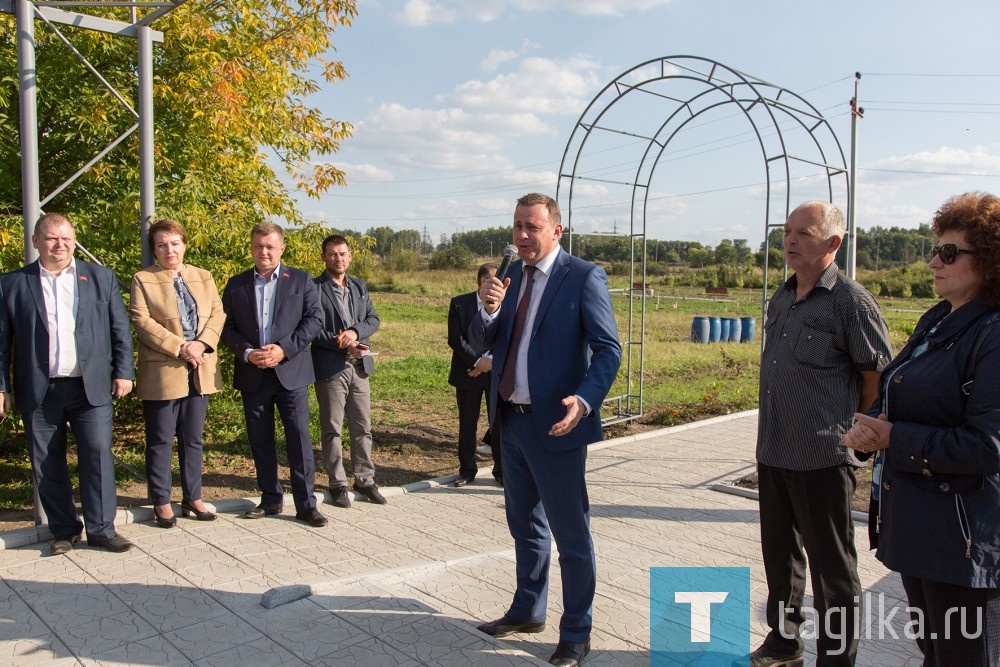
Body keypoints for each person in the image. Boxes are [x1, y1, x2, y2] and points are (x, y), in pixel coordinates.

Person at [844, 192, 1000, 666]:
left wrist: (896, 437)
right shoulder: (940, 319)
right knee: (937, 654)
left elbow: (989, 445)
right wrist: (877, 431)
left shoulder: (992, 333)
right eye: (935, 249)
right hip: (923, 534)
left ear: (990, 261)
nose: (934, 261)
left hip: (962, 544)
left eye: (949, 253)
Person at [471, 193, 622, 667]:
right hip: (511, 424)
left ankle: (576, 632)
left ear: (556, 230)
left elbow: (609, 350)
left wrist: (584, 399)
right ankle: (527, 608)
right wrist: (489, 309)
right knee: (524, 525)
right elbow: (484, 341)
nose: (521, 236)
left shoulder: (582, 276)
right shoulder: (510, 275)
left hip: (555, 426)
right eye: (517, 226)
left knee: (570, 534)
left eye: (532, 227)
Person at [750, 201, 891, 667]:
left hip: (823, 457)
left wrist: (860, 434)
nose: (790, 241)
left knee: (833, 570)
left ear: (833, 242)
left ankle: (836, 657)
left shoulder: (851, 302)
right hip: (773, 451)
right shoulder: (782, 297)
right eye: (787, 231)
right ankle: (784, 641)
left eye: (802, 233)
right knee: (781, 559)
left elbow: (875, 377)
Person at [0, 213, 135, 555]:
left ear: (74, 240)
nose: (59, 244)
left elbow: (120, 330)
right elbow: (1, 342)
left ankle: (102, 530)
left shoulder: (100, 278)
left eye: (66, 238)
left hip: (90, 388)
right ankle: (63, 530)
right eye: (50, 238)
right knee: (46, 462)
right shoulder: (12, 283)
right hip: (39, 390)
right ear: (35, 242)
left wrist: (124, 371)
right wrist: (2, 387)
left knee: (97, 454)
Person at [221, 222, 327, 527]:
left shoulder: (301, 281)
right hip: (253, 374)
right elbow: (226, 327)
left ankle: (306, 504)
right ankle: (270, 499)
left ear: (281, 248)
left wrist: (283, 349)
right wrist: (246, 352)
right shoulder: (236, 284)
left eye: (270, 246)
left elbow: (314, 319)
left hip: (290, 373)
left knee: (298, 438)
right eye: (258, 246)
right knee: (260, 440)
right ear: (251, 248)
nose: (264, 251)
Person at [130, 219, 225, 528]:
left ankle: (192, 496)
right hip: (164, 369)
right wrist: (180, 347)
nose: (169, 250)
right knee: (160, 439)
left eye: (174, 243)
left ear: (184, 244)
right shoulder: (143, 279)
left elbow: (217, 313)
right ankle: (161, 500)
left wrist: (200, 345)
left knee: (192, 438)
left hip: (200, 368)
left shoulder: (203, 276)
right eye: (161, 245)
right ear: (154, 250)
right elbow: (142, 322)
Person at [310, 234, 385, 507]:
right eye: (332, 254)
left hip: (360, 367)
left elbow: (373, 319)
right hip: (331, 367)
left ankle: (365, 479)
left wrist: (355, 332)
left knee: (362, 427)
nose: (337, 258)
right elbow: (312, 328)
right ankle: (337, 483)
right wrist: (342, 343)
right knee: (332, 429)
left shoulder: (359, 286)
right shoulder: (314, 287)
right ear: (323, 257)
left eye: (342, 253)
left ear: (350, 256)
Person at [448, 261, 502, 487]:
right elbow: (456, 339)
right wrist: (478, 362)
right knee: (467, 424)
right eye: (495, 281)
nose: (500, 286)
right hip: (467, 373)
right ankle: (467, 470)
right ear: (482, 282)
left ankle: (501, 471)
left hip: (495, 374)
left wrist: (491, 362)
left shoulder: (507, 304)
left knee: (498, 424)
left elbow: (510, 337)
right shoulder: (460, 304)